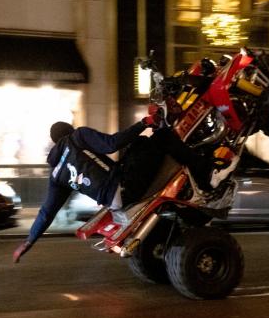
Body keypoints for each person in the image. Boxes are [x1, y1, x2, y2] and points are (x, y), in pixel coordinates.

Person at [12, 107, 235, 262]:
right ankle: (208, 174)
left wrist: (29, 242)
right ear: (68, 132)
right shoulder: (77, 137)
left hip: (116, 202)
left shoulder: (57, 174)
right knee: (164, 136)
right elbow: (112, 144)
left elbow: (46, 212)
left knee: (139, 145)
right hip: (125, 185)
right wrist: (144, 123)